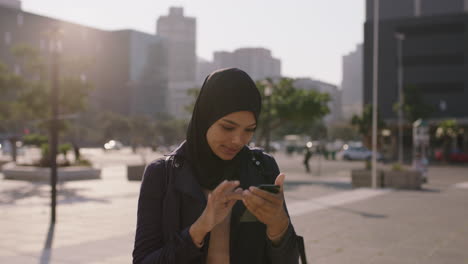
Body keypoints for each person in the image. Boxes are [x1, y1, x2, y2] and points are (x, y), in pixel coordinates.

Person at [133, 68, 301, 264]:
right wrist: (201, 227)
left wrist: (278, 225)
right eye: (227, 127)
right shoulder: (162, 174)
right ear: (205, 118)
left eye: (249, 130)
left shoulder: (262, 167)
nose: (238, 140)